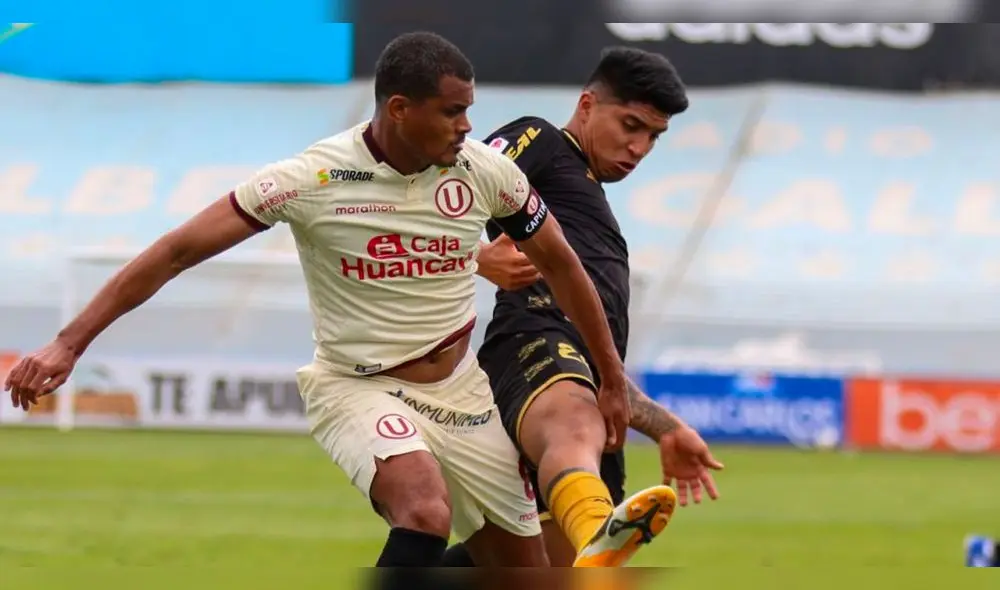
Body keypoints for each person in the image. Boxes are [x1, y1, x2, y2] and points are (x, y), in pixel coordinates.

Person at [4, 32, 638, 570]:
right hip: (356, 387)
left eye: (468, 109)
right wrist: (68, 342)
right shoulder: (312, 178)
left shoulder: (486, 172)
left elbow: (562, 263)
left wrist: (611, 376)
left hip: (462, 394)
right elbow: (176, 252)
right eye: (451, 112)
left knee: (527, 572)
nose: (467, 126)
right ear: (398, 109)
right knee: (423, 506)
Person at [447, 46, 726, 568]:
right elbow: (446, 193)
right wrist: (475, 257)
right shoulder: (544, 142)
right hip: (531, 344)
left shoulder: (595, 210)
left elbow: (600, 371)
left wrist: (667, 428)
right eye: (630, 125)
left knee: (536, 570)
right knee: (574, 424)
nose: (640, 147)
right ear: (586, 105)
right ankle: (599, 525)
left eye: (653, 136)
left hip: (574, 373)